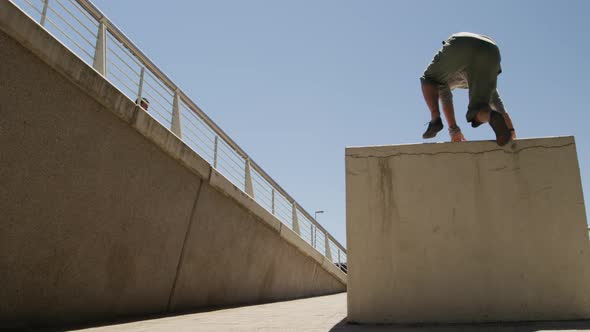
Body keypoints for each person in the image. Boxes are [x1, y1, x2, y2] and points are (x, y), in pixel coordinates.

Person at [420, 32, 516, 146]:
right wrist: (511, 132)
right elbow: (498, 104)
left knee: (429, 79)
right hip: (491, 50)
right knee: (478, 110)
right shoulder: (480, 80)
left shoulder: (443, 79)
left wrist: (453, 129)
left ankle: (435, 119)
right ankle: (490, 116)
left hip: (462, 43)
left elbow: (445, 97)